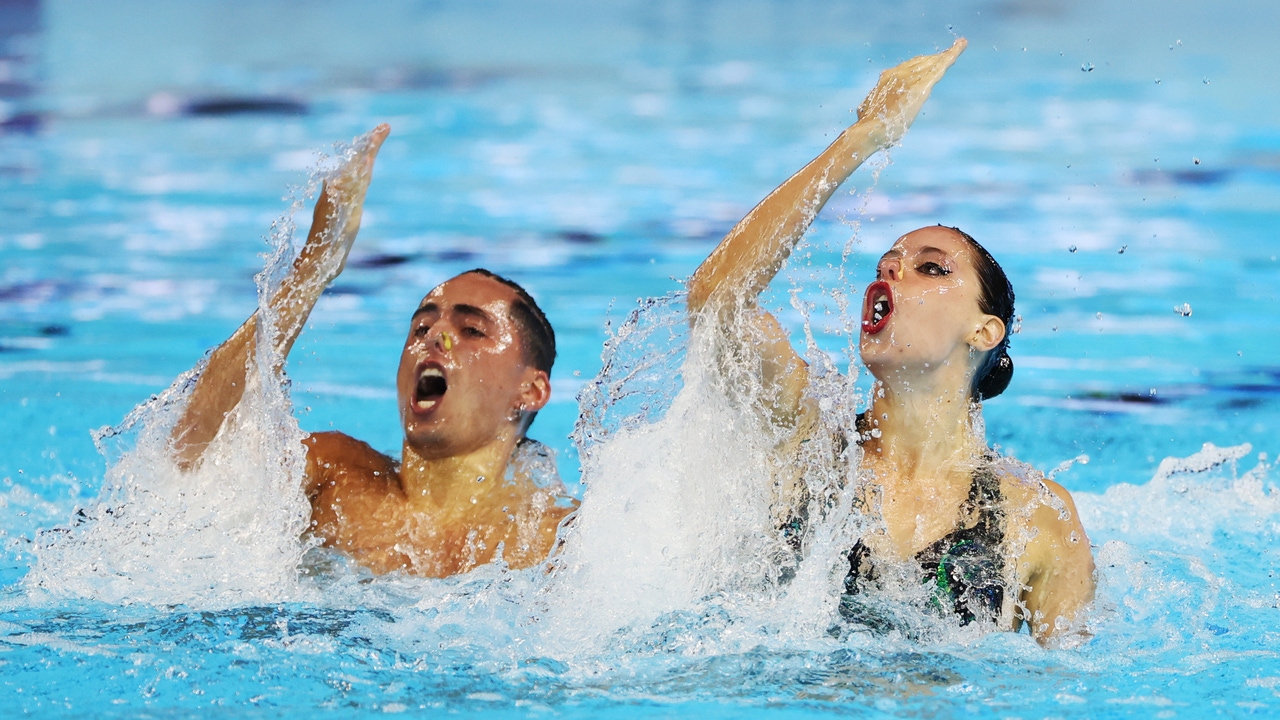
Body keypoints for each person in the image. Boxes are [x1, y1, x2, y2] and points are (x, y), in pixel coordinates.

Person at [686, 39, 1095, 644]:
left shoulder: (1034, 517)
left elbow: (1073, 681)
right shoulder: (805, 446)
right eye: (886, 264)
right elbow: (716, 301)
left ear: (984, 332)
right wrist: (863, 137)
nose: (892, 271)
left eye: (931, 268)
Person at [168, 124, 577, 578]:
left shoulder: (560, 540)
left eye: (472, 330)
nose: (436, 336)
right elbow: (193, 456)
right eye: (421, 326)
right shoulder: (332, 479)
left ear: (531, 391)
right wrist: (315, 266)